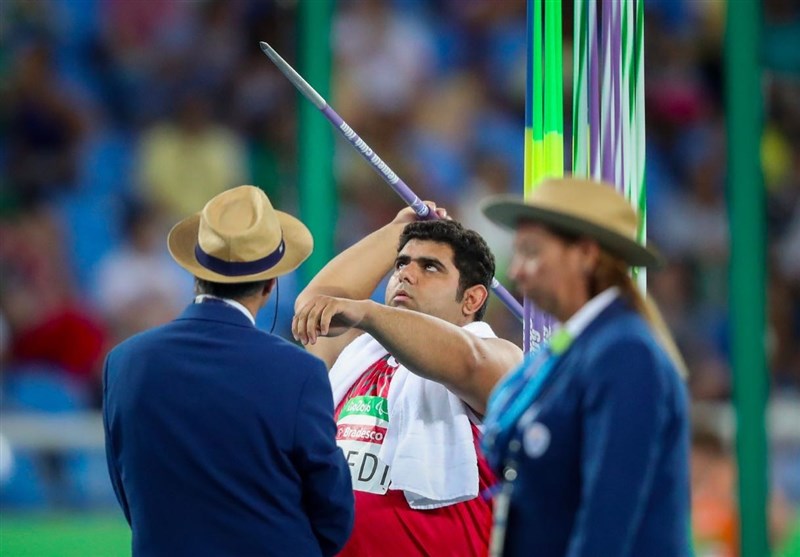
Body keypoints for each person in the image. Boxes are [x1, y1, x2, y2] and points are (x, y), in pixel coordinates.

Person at [103, 185, 354, 557]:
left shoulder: (125, 361)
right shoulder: (300, 373)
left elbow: (128, 491)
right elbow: (333, 513)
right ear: (270, 285)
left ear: (195, 273)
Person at [292, 204, 523, 556]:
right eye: (401, 264)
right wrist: (398, 229)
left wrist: (368, 311)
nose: (405, 275)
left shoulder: (500, 356)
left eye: (430, 267)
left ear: (472, 298)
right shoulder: (360, 355)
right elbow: (315, 304)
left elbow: (467, 360)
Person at [480, 176, 691, 557]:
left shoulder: (625, 354)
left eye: (531, 252)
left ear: (586, 254)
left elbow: (606, 520)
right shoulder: (568, 350)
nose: (517, 272)